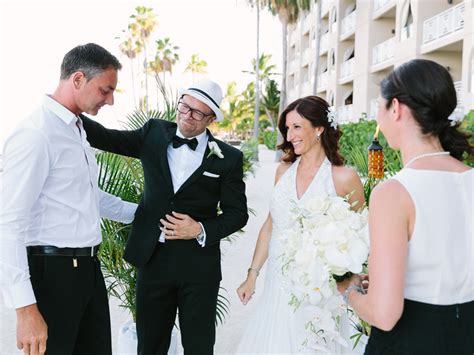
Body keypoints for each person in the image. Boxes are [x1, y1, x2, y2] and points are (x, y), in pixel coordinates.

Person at [80, 79, 249, 355]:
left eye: (197, 113)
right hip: (153, 259)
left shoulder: (228, 158)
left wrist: (200, 228)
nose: (186, 115)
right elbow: (108, 138)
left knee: (199, 345)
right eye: (184, 106)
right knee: (150, 344)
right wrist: (69, 110)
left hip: (198, 266)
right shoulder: (154, 133)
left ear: (211, 119)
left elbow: (237, 214)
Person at [0, 43, 137, 355]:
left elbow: (89, 196)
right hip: (53, 274)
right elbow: (8, 223)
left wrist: (143, 212)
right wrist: (25, 309)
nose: (111, 100)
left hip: (87, 269)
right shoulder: (37, 133)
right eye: (106, 90)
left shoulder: (76, 130)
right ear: (78, 79)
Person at [337, 59, 473, 354]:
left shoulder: (394, 192)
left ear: (395, 108)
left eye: (379, 106)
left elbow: (385, 315)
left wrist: (347, 288)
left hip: (411, 342)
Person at [236, 95, 365, 353]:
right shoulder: (283, 172)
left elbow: (362, 235)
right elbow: (271, 224)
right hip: (277, 282)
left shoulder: (344, 177)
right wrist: (252, 275)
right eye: (287, 127)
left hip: (319, 289)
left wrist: (351, 275)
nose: (290, 134)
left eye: (297, 126)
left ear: (319, 128)